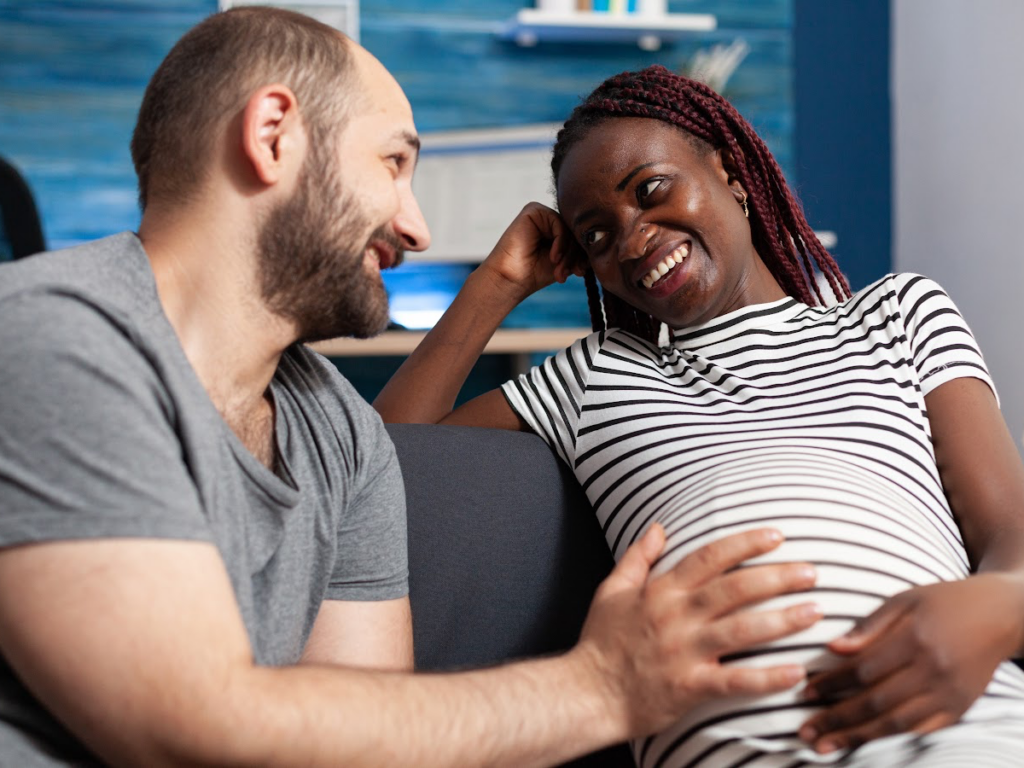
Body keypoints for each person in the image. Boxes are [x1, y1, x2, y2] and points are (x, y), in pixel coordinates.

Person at [0, 11, 828, 767]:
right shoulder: (55, 339)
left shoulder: (340, 436)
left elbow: (371, 740)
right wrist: (605, 687)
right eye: (394, 162)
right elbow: (180, 727)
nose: (417, 226)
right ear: (273, 134)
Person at [375, 65, 1024, 767]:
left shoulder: (897, 316)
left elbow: (1012, 534)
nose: (630, 239)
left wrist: (992, 613)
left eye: (650, 190)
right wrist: (495, 284)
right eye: (595, 236)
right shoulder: (596, 374)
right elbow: (379, 469)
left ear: (731, 173)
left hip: (958, 731)